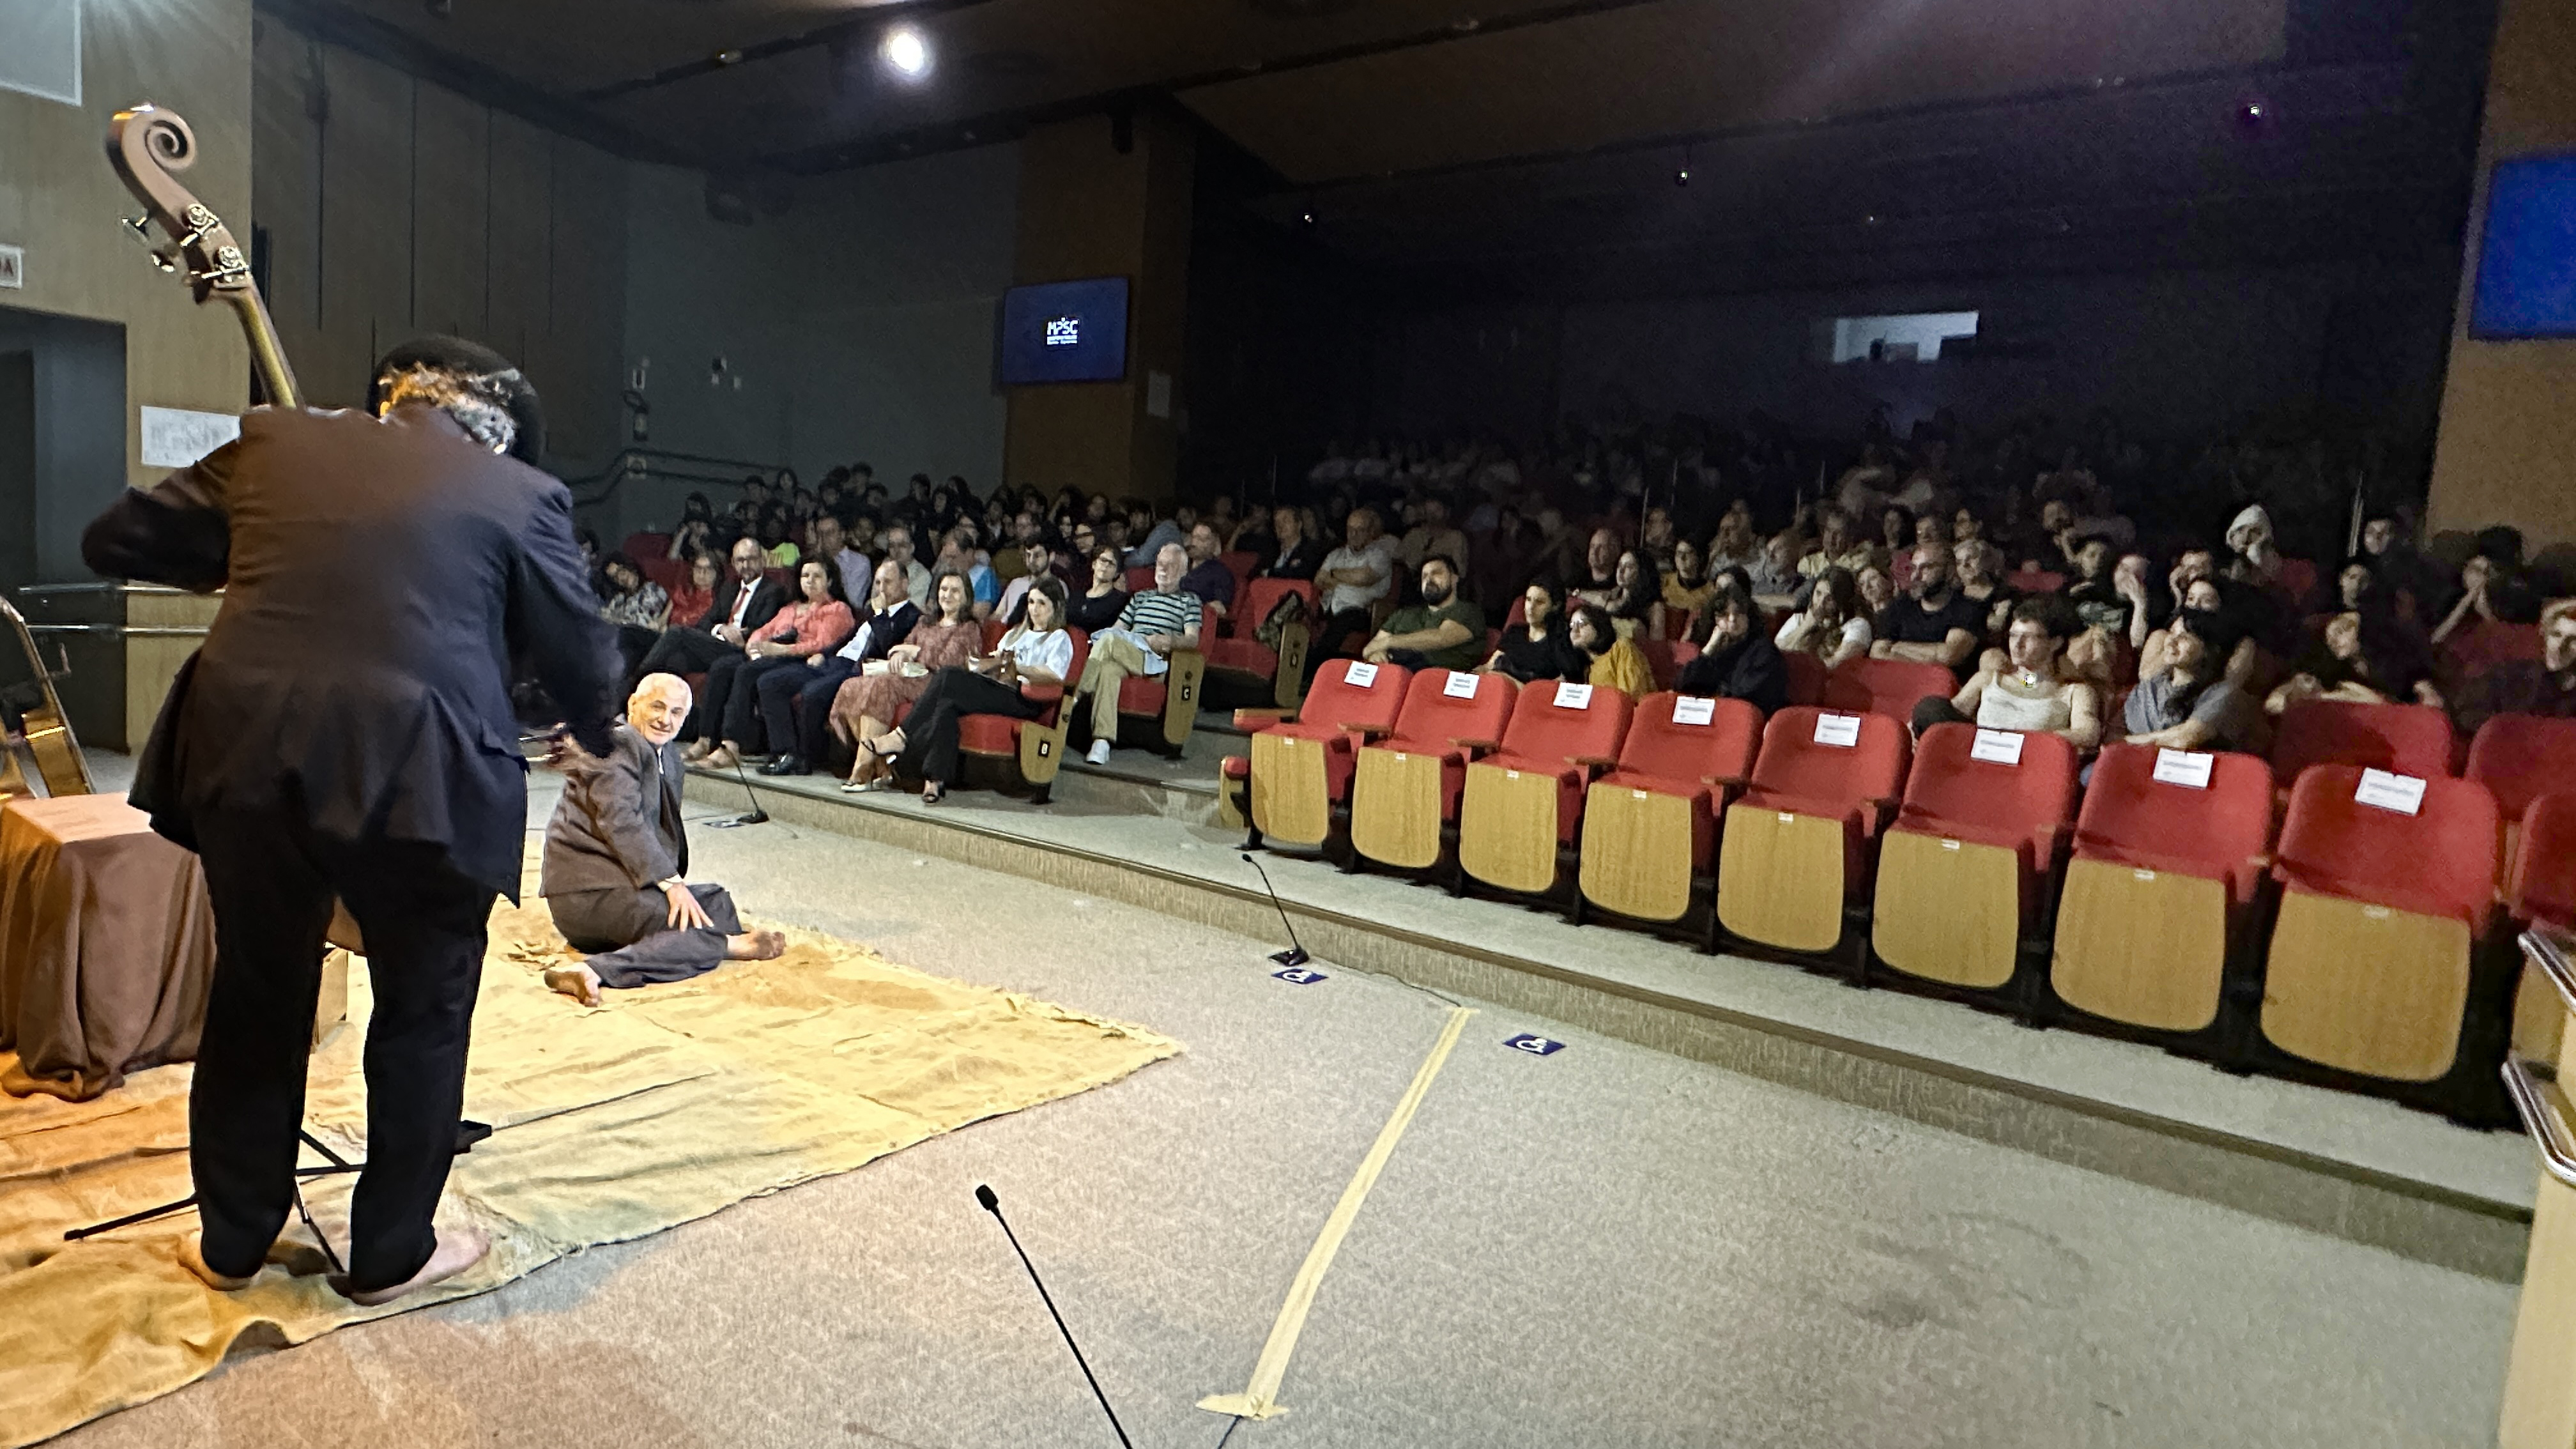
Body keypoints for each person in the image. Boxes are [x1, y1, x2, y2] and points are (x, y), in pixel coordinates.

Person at [80, 334, 617, 1306]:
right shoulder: (519, 497)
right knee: (423, 1008)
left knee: (256, 993)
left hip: (249, 752)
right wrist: (582, 720)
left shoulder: (275, 442)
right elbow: (584, 668)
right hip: (430, 771)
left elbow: (113, 539)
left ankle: (233, 1243)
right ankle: (389, 1253)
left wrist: (252, 559)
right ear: (499, 436)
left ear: (394, 400)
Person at [539, 675, 787, 1007]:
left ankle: (704, 941)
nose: (665, 719)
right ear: (633, 705)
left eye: (676, 712)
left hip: (625, 886)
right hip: (588, 897)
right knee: (696, 926)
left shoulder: (666, 754)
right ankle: (595, 969)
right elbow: (622, 822)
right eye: (657, 706)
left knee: (716, 902)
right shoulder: (617, 743)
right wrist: (670, 885)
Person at [882, 577, 1079, 804]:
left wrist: (1018, 667)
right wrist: (987, 665)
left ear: (1055, 607)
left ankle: (902, 736)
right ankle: (934, 780)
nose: (1035, 610)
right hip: (1000, 688)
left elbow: (1056, 675)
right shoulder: (1016, 634)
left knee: (947, 675)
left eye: (1042, 604)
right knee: (948, 704)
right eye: (1032, 603)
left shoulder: (1058, 638)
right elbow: (995, 662)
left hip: (1026, 698)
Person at [684, 558, 855, 770]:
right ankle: (706, 738)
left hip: (803, 659)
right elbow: (763, 631)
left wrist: (779, 650)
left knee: (747, 672)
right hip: (771, 654)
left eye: (817, 576)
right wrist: (754, 646)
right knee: (723, 667)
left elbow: (822, 644)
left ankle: (730, 746)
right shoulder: (791, 608)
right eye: (805, 576)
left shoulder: (837, 610)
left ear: (830, 581)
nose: (810, 581)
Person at [757, 558, 918, 778]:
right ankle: (784, 751)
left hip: (857, 670)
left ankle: (805, 759)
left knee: (812, 694)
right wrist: (823, 654)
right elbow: (848, 639)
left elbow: (887, 645)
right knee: (770, 682)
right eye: (878, 583)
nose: (881, 589)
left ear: (904, 583)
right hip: (834, 661)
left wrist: (881, 615)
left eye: (888, 583)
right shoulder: (873, 611)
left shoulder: (912, 616)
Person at [836, 569, 983, 788]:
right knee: (853, 686)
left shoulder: (969, 628)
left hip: (935, 684)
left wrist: (912, 651)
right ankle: (882, 768)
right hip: (909, 675)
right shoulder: (926, 621)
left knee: (882, 685)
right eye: (944, 589)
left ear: (966, 596)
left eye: (955, 591)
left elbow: (946, 664)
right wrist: (901, 653)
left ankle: (862, 770)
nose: (948, 595)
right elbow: (900, 647)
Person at [1914, 597, 2103, 749]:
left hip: (2031, 768)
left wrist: (2021, 740)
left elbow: (2088, 733)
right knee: (1928, 708)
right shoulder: (1988, 679)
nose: (2017, 645)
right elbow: (1947, 714)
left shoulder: (2074, 692)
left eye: (2028, 637)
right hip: (1979, 763)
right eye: (2013, 635)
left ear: (2055, 643)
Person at [1075, 542, 1204, 765]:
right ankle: (1102, 743)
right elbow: (1118, 629)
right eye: (1160, 564)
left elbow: (1193, 640)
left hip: (1155, 658)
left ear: (1183, 571)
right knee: (1107, 670)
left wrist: (1169, 641)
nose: (1163, 569)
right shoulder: (1141, 597)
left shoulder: (1189, 601)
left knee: (1109, 641)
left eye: (1171, 566)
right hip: (1130, 650)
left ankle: (1075, 695)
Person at [2266, 605, 2444, 714]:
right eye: (2330, 640)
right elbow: (2275, 703)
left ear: (2358, 631)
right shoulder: (2337, 673)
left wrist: (2425, 695)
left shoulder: (2392, 656)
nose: (2335, 641)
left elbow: (2427, 694)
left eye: (2342, 632)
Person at [2122, 625, 2262, 753]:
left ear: (2207, 649)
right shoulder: (2146, 689)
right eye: (2172, 632)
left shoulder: (2223, 693)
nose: (2172, 640)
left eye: (2184, 636)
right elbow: (2117, 732)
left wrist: (2125, 743)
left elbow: (2184, 738)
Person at [2455, 597, 2576, 735]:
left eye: (2573, 640)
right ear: (2546, 636)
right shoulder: (2510, 675)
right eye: (2556, 635)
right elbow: (2466, 713)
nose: (2560, 647)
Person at [1871, 543, 1984, 679]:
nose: (1915, 576)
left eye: (1926, 568)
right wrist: (1930, 656)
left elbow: (1949, 656)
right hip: (1902, 683)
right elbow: (1877, 652)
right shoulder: (1902, 604)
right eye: (1913, 569)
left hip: (1944, 688)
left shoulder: (1968, 608)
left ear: (1949, 571)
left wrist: (1897, 648)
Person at [1310, 507, 1400, 672]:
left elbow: (1364, 578)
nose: (1354, 534)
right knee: (1302, 618)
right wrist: (1349, 578)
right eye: (1351, 529)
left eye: (1360, 530)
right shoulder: (1336, 554)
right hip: (1328, 605)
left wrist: (1334, 573)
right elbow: (1319, 581)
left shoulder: (1379, 555)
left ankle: (1314, 672)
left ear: (1370, 532)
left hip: (1361, 611)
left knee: (1340, 624)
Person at [1363, 556, 1486, 671]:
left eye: (1437, 573)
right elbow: (1369, 648)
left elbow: (1441, 638)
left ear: (1454, 578)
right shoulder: (1403, 614)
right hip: (1391, 676)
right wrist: (1377, 655)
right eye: (1424, 576)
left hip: (1434, 683)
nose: (1429, 579)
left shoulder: (1469, 612)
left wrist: (1389, 642)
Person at [1675, 588, 1788, 714]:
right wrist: (1709, 649)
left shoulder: (1765, 651)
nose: (1732, 619)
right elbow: (1683, 686)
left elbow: (1746, 696)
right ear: (1715, 621)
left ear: (1749, 617)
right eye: (1724, 614)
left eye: (1739, 613)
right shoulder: (1715, 652)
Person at [1484, 581, 1584, 682]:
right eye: (1528, 600)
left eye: (1539, 602)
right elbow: (1489, 666)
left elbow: (1558, 684)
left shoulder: (1561, 642)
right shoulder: (1514, 633)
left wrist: (1508, 680)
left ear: (1555, 606)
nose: (1531, 608)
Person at [1776, 565, 1872, 669]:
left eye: (1829, 598)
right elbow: (1776, 656)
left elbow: (1836, 664)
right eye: (1818, 593)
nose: (1821, 603)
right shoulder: (1798, 620)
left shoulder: (1857, 625)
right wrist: (1805, 627)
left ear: (1841, 601)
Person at [596, 553, 671, 678]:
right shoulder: (619, 599)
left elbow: (644, 618)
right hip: (626, 641)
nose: (621, 578)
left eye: (621, 571)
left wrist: (618, 621)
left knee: (626, 636)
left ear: (630, 567)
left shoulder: (651, 588)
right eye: (615, 577)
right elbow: (603, 616)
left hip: (648, 636)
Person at [1568, 601, 1653, 700]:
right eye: (1572, 625)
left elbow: (1631, 696)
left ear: (1599, 626)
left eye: (1582, 624)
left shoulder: (1621, 648)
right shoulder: (1589, 668)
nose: (1575, 630)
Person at [1181, 521, 1239, 619]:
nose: (1195, 543)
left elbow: (1220, 609)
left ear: (1215, 544)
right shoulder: (1180, 564)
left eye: (1202, 539)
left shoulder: (1220, 573)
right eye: (1194, 537)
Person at [1606, 548, 1666, 640]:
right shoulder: (1613, 596)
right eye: (1619, 565)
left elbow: (1657, 645)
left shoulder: (1655, 607)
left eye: (1629, 567)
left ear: (1642, 572)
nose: (1621, 571)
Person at [1255, 504, 1325, 582]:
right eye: (1277, 522)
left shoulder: (1311, 550)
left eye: (1286, 520)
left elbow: (1303, 574)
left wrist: (1270, 573)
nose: (1281, 526)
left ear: (1299, 524)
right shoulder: (1270, 552)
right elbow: (1256, 574)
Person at [1070, 546, 1131, 632]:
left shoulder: (1121, 601)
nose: (1106, 566)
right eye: (1103, 560)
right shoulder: (1076, 596)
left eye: (1111, 564)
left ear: (1117, 573)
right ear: (1094, 564)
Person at [1661, 537, 1717, 626]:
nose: (1682, 558)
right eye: (1679, 553)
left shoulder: (1710, 591)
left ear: (1698, 557)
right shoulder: (1665, 582)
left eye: (1688, 553)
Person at [881, 523, 931, 606]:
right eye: (892, 546)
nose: (896, 550)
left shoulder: (922, 575)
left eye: (902, 545)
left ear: (912, 548)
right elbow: (874, 602)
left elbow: (912, 608)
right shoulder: (884, 568)